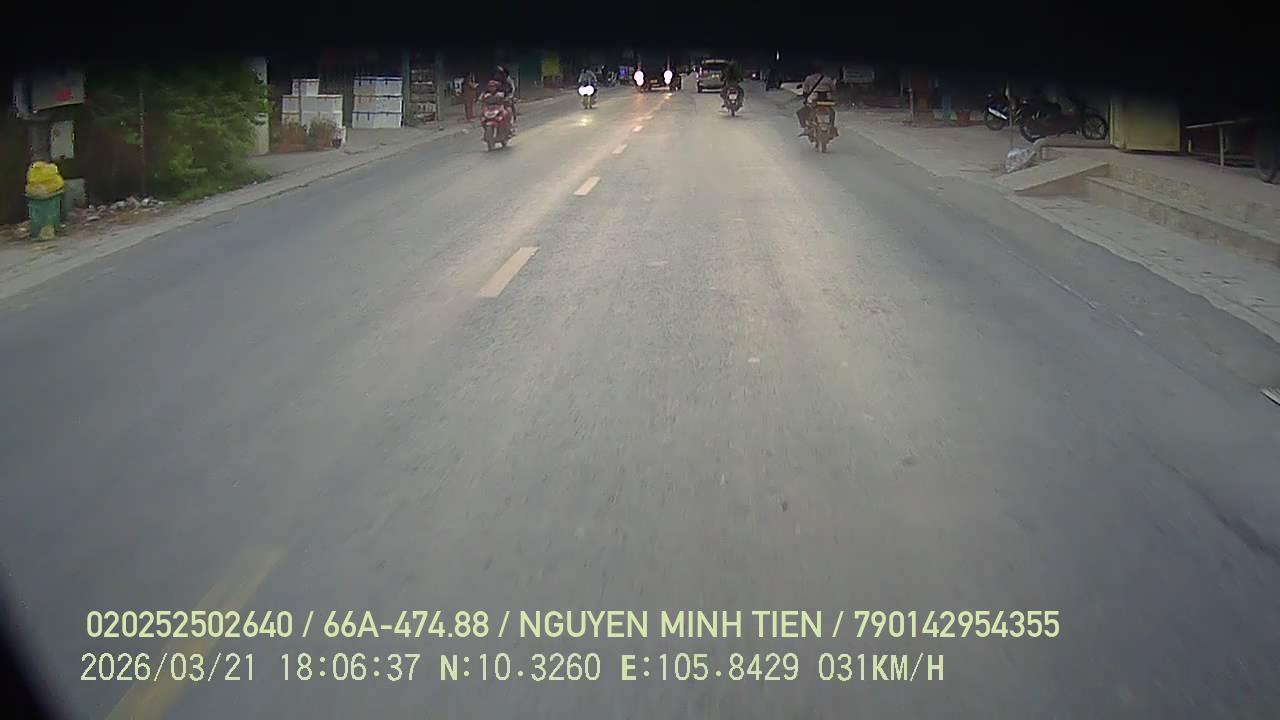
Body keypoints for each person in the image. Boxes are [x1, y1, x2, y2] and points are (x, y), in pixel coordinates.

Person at [796, 62, 838, 137]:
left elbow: (805, 91)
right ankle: (832, 127)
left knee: (800, 112)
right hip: (827, 101)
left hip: (814, 100)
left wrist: (805, 97)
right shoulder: (828, 79)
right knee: (832, 112)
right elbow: (834, 90)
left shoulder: (809, 78)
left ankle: (805, 128)